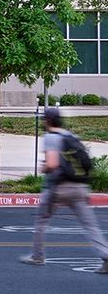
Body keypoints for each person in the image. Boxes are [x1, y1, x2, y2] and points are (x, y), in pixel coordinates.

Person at [20, 107, 108, 272]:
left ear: (47, 121)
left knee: (41, 220)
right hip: (80, 187)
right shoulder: (70, 136)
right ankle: (106, 255)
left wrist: (44, 168)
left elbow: (52, 164)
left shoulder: (51, 137)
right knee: (90, 225)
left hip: (59, 188)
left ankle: (37, 256)